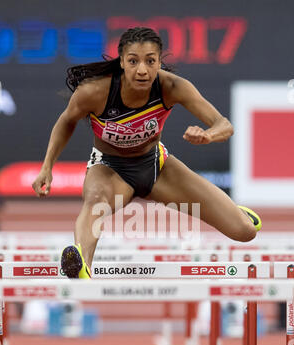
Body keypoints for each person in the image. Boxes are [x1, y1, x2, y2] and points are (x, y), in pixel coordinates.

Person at [32, 26, 261, 279]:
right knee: (95, 201)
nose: (142, 70)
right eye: (133, 61)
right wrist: (47, 167)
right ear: (122, 62)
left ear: (159, 62)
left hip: (157, 167)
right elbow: (66, 121)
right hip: (110, 169)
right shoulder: (94, 92)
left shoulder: (172, 87)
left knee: (245, 232)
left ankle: (237, 213)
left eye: (150, 61)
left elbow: (224, 124)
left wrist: (208, 135)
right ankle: (81, 264)